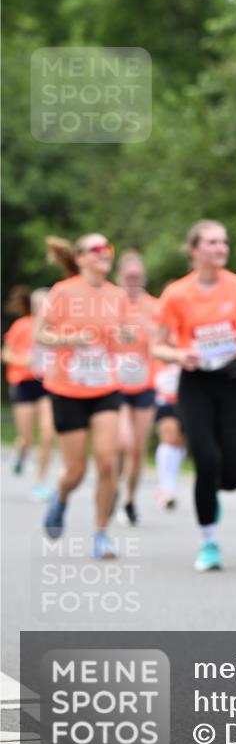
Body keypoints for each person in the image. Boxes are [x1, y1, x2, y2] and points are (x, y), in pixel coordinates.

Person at [153, 220, 236, 572]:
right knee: (206, 461)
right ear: (194, 250)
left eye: (224, 242)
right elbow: (157, 346)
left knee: (233, 475)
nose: (221, 248)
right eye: (212, 242)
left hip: (233, 379)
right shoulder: (176, 293)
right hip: (196, 383)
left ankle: (214, 490)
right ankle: (209, 542)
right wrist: (179, 356)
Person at [38, 235, 132, 559]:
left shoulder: (117, 296)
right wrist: (71, 338)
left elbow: (124, 335)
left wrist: (126, 334)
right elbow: (41, 334)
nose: (104, 253)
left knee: (107, 461)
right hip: (67, 388)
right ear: (79, 258)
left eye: (109, 247)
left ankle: (101, 533)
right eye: (96, 249)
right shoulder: (63, 292)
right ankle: (60, 497)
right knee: (75, 471)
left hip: (105, 386)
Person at [114, 250, 158, 526]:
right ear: (119, 277)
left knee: (138, 450)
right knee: (122, 442)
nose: (133, 281)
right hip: (114, 385)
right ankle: (112, 486)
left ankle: (129, 499)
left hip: (144, 383)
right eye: (129, 277)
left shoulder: (154, 306)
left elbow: (164, 342)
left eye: (138, 277)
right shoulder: (107, 304)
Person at [2, 285, 54, 498]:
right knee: (27, 438)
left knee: (48, 433)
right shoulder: (21, 326)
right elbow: (6, 354)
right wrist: (24, 360)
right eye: (39, 305)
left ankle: (40, 482)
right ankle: (21, 451)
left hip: (46, 384)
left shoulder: (56, 329)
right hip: (23, 383)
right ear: (32, 306)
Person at [153, 357, 186, 510]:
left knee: (179, 441)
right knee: (169, 436)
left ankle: (170, 484)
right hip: (165, 390)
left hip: (187, 392)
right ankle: (166, 489)